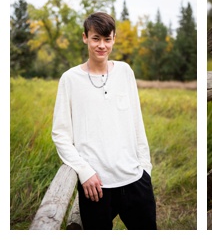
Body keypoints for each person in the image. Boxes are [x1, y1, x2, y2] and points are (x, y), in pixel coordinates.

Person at [51, 12, 156, 229]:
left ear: (114, 39)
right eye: (96, 38)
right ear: (85, 38)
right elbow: (60, 134)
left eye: (107, 39)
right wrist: (84, 171)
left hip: (135, 180)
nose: (102, 45)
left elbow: (137, 121)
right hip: (96, 186)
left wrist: (145, 167)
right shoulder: (70, 79)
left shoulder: (125, 72)